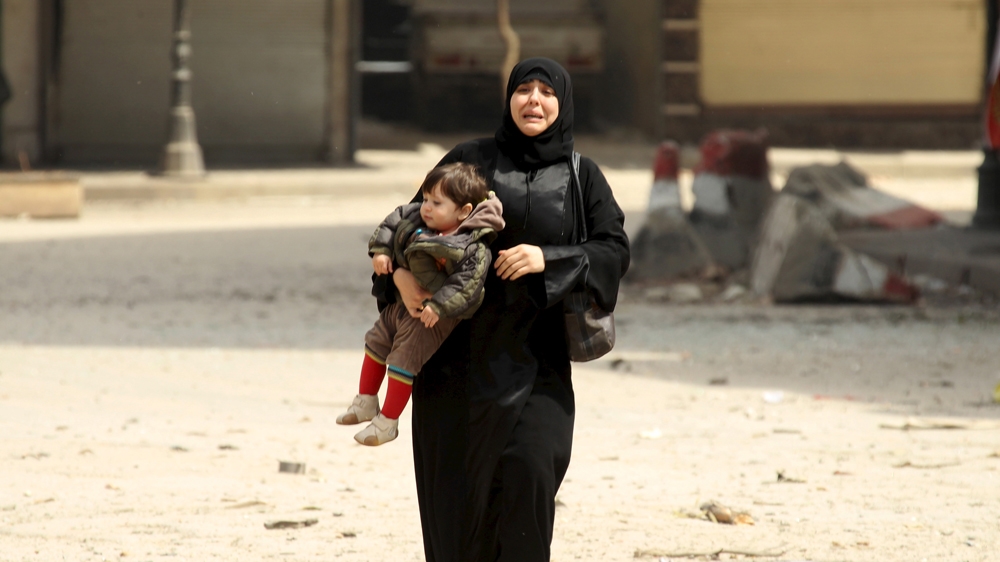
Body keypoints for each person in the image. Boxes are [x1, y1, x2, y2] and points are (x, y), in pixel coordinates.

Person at [378, 58, 630, 560]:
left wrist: (547, 258)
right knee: (455, 504)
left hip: (538, 361)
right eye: (524, 89)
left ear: (563, 102)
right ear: (509, 97)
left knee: (531, 473)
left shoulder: (581, 175)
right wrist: (399, 279)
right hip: (454, 363)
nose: (534, 100)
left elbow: (613, 251)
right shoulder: (470, 160)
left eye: (546, 92)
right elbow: (408, 226)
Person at [339, 162, 505, 446]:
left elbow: (468, 285)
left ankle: (388, 422)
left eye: (436, 203)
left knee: (403, 360)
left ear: (463, 211)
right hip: (401, 303)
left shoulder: (471, 244)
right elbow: (392, 223)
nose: (426, 207)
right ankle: (365, 400)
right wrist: (381, 251)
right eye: (426, 198)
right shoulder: (416, 217)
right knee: (375, 342)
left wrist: (439, 305)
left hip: (431, 316)